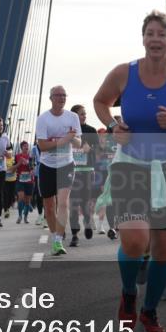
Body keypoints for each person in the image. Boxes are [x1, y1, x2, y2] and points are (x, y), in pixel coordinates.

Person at [94, 10, 166, 332]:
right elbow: (101, 101)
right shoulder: (124, 73)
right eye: (150, 33)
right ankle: (129, 292)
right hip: (130, 166)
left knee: (162, 249)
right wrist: (114, 125)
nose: (155, 39)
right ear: (143, 38)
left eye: (162, 34)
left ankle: (150, 310)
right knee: (134, 240)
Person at [35, 85, 81, 255]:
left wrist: (72, 139)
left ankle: (58, 240)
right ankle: (55, 234)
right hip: (47, 165)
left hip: (66, 164)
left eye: (64, 95)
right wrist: (64, 139)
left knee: (63, 202)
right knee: (49, 206)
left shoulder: (73, 117)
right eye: (58, 95)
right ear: (51, 98)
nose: (62, 98)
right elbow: (42, 146)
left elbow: (78, 143)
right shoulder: (43, 119)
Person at [68, 104, 99, 246]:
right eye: (81, 114)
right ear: (74, 116)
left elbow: (99, 150)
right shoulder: (69, 131)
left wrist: (90, 149)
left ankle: (87, 222)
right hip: (71, 171)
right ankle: (74, 234)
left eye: (85, 114)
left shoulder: (91, 130)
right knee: (73, 203)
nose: (84, 116)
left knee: (85, 202)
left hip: (87, 171)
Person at [14, 141, 34, 223]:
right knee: (21, 198)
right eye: (25, 146)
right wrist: (19, 163)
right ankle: (19, 216)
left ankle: (26, 217)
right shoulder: (17, 156)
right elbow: (13, 167)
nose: (26, 147)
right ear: (21, 147)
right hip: (20, 180)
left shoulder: (31, 157)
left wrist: (27, 163)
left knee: (27, 201)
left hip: (29, 181)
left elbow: (32, 169)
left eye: (27, 146)